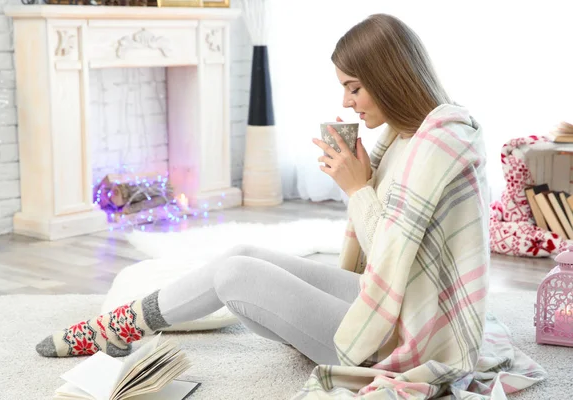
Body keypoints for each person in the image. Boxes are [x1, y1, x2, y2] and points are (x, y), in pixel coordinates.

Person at [37, 13, 516, 399]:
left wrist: (357, 188)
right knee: (244, 253)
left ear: (388, 78)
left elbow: (392, 259)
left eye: (354, 87)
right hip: (397, 310)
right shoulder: (407, 136)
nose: (347, 103)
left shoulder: (441, 145)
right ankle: (121, 325)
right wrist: (364, 180)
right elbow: (390, 262)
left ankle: (118, 328)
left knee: (235, 278)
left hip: (410, 340)